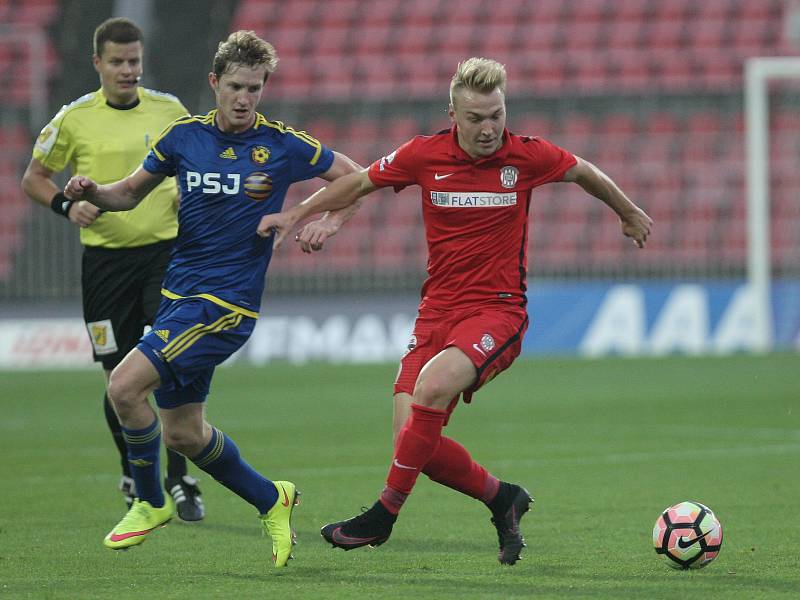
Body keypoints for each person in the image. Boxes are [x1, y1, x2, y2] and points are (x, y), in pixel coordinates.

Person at [257, 57, 653, 565]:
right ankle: (502, 497)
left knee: (431, 389)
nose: (488, 128)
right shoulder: (423, 155)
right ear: (453, 114)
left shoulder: (526, 156)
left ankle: (383, 516)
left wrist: (627, 211)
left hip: (497, 312)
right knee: (411, 441)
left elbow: (584, 172)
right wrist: (301, 214)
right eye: (476, 118)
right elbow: (356, 185)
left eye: (496, 115)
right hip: (436, 311)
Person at [63, 30, 363, 567]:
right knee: (183, 433)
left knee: (124, 386)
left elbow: (357, 178)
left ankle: (151, 499)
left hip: (225, 306)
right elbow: (127, 193)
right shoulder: (184, 138)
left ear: (264, 88)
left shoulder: (284, 145)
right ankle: (273, 499)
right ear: (214, 84)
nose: (244, 98)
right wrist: (93, 193)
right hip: (180, 297)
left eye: (254, 87)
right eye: (235, 87)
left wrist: (326, 219)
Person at [20, 17, 205, 521]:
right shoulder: (73, 118)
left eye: (135, 62)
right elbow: (34, 178)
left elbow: (198, 167)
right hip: (105, 264)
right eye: (118, 62)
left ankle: (179, 478)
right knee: (118, 376)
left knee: (171, 367)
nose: (128, 71)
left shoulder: (170, 111)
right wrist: (65, 205)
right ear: (97, 63)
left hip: (166, 256)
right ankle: (135, 473)